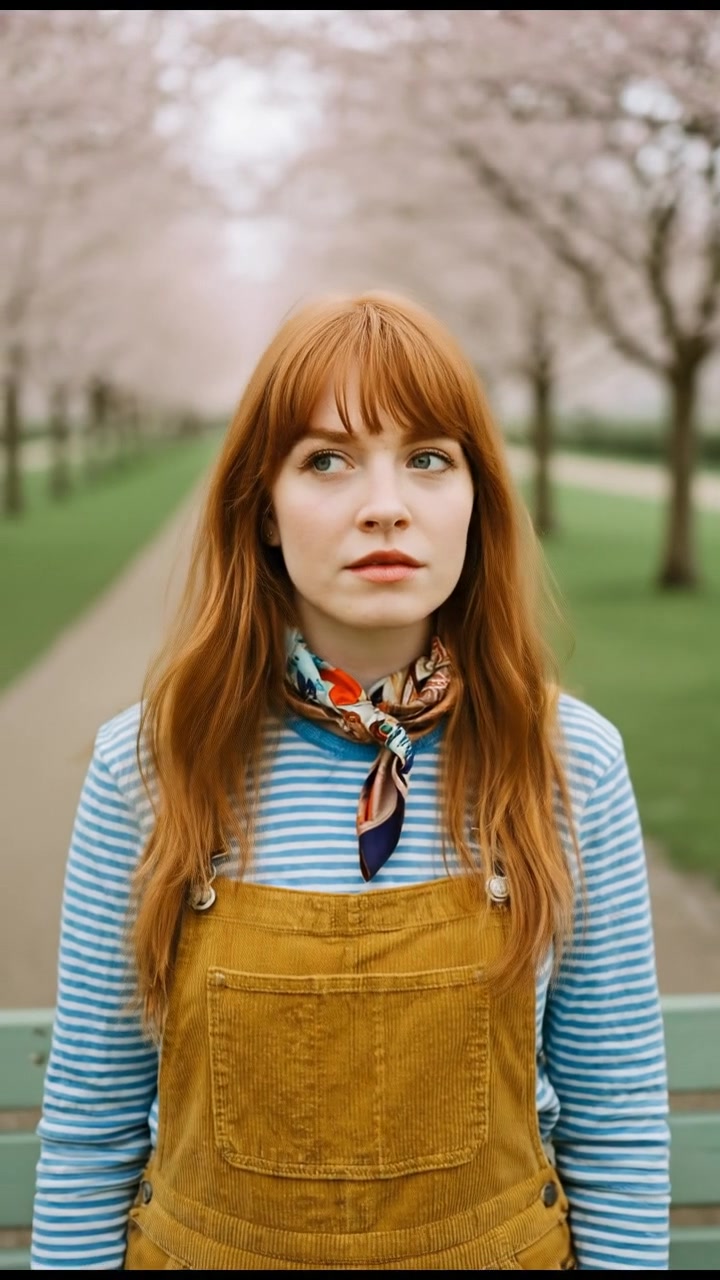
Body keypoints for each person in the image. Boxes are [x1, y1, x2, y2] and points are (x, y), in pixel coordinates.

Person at [30, 291, 670, 1271]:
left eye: (428, 458)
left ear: (477, 502)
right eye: (326, 459)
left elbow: (615, 1110)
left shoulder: (568, 759)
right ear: (266, 512)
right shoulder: (152, 762)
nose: (387, 503)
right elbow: (90, 1123)